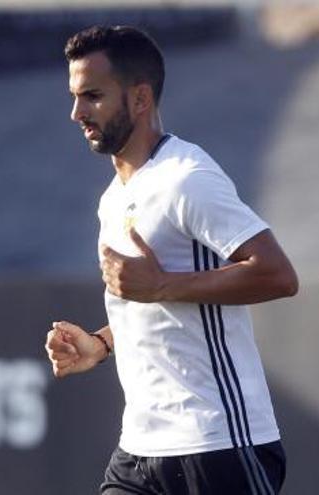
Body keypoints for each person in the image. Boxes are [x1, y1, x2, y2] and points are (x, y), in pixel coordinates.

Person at [45, 25, 297, 495]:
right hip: (139, 449)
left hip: (217, 444)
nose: (77, 112)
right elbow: (155, 299)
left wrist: (162, 285)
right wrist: (99, 343)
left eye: (93, 96)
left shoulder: (188, 178)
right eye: (76, 97)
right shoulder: (114, 196)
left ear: (140, 99)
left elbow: (277, 274)